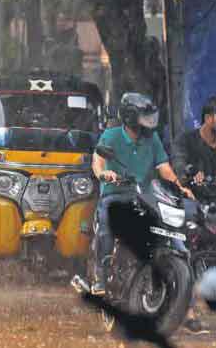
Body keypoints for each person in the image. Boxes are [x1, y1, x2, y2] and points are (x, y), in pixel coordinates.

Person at [91, 92, 194, 295]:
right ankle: (100, 276)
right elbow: (98, 161)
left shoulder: (152, 138)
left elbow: (163, 166)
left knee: (175, 237)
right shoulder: (111, 135)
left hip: (147, 197)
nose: (148, 122)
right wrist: (104, 174)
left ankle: (187, 305)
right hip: (115, 195)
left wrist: (178, 186)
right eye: (143, 117)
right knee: (107, 228)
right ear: (129, 117)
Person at [172, 96, 216, 334]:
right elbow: (178, 163)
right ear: (209, 119)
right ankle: (187, 312)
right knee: (186, 248)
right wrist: (189, 173)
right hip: (192, 202)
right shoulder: (187, 141)